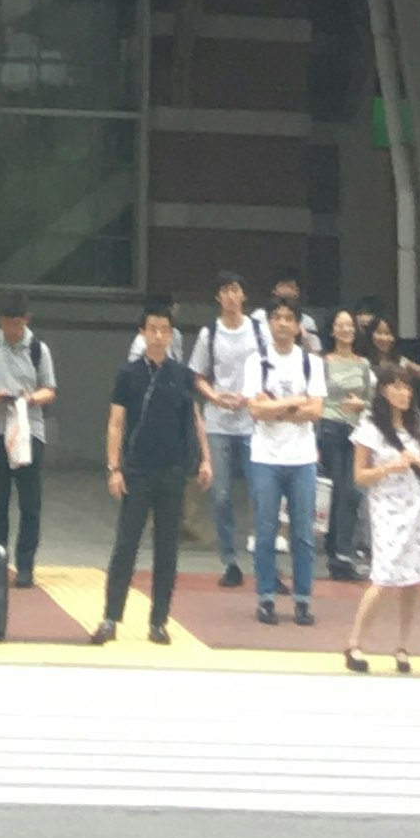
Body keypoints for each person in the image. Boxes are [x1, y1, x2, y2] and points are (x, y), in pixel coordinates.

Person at [94, 297, 203, 643]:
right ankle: (111, 618)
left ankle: (159, 621)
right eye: (152, 329)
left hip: (172, 472)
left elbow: (193, 421)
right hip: (136, 471)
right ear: (142, 333)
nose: (158, 335)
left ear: (172, 335)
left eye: (164, 330)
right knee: (126, 545)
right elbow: (115, 422)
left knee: (167, 548)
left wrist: (204, 459)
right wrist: (114, 467)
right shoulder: (127, 374)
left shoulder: (183, 376)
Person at [340, 357, 420, 672]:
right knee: (384, 574)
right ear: (384, 391)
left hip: (416, 503)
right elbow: (360, 475)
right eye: (397, 386)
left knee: (412, 578)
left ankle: (403, 646)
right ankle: (354, 643)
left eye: (407, 387)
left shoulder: (419, 426)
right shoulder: (370, 428)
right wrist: (389, 467)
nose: (404, 393)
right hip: (386, 503)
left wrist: (416, 462)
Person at [244, 290, 327, 623]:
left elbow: (316, 410)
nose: (282, 323)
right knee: (265, 531)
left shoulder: (310, 362)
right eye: (276, 317)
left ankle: (303, 598)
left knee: (303, 533)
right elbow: (254, 409)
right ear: (268, 323)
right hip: (265, 456)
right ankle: (266, 597)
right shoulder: (257, 360)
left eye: (288, 318)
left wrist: (274, 407)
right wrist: (292, 404)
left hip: (302, 457)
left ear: (298, 326)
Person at [0, 295, 59, 589]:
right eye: (7, 324)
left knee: (30, 502)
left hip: (29, 431)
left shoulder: (38, 350)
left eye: (17, 324)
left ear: (26, 321)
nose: (12, 330)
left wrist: (29, 399)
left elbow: (50, 390)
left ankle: (26, 564)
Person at [192, 274, 266, 582]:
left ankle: (265, 563)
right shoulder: (210, 333)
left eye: (236, 289)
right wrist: (215, 398)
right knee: (221, 494)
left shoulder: (259, 332)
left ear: (244, 295)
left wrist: (251, 397)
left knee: (261, 493)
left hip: (252, 421)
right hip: (219, 422)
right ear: (218, 298)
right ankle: (230, 561)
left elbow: (268, 370)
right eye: (225, 290)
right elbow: (197, 376)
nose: (231, 296)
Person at [319, 308, 373, 575]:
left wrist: (360, 403)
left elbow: (372, 400)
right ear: (332, 331)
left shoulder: (363, 364)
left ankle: (339, 551)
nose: (346, 330)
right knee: (340, 491)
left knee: (351, 492)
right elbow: (318, 397)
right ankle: (339, 553)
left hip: (356, 430)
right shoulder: (323, 362)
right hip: (330, 428)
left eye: (350, 325)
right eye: (340, 325)